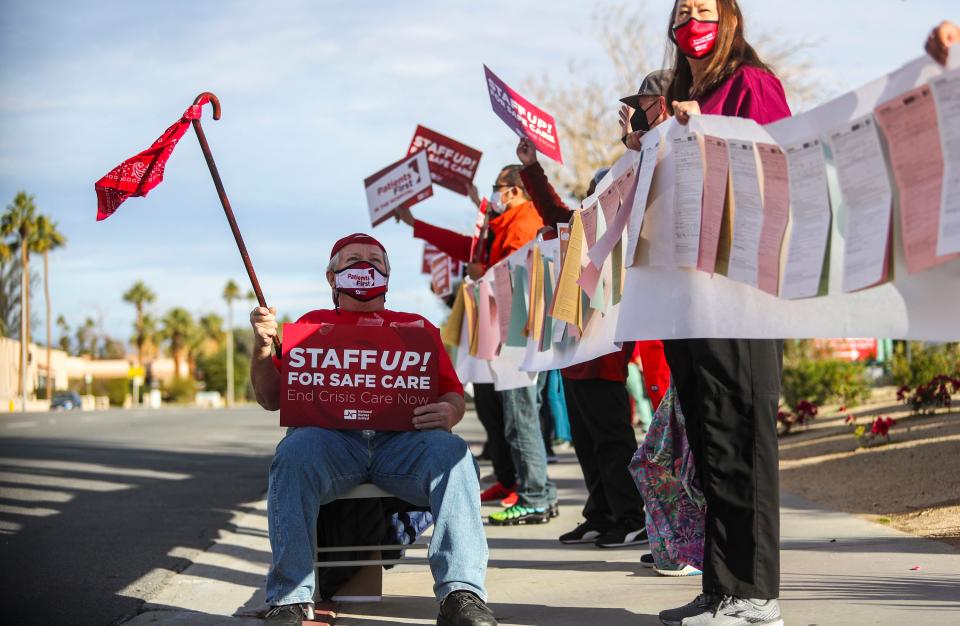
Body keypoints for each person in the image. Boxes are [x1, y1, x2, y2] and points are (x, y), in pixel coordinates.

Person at [250, 233, 497, 626]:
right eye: (351, 259)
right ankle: (290, 600)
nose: (363, 265)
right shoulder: (310, 325)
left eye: (373, 259)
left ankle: (462, 595)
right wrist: (263, 350)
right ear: (332, 277)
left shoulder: (417, 328)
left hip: (402, 444)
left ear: (386, 273)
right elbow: (270, 398)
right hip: (331, 444)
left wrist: (450, 412)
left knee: (454, 455)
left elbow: (452, 394)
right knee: (293, 454)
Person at [653, 1, 790, 625]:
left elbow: (778, 164)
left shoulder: (752, 84)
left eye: (704, 8)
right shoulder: (680, 98)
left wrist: (706, 128)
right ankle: (723, 584)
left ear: (729, 18)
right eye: (682, 11)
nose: (692, 21)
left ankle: (757, 595)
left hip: (741, 290)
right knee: (710, 442)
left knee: (741, 435)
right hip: (691, 294)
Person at [516, 75, 673, 547]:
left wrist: (633, 143)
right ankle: (600, 512)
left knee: (610, 436)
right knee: (586, 437)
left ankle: (627, 515)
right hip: (572, 348)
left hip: (604, 346)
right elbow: (555, 212)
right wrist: (531, 168)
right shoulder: (583, 224)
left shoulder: (624, 223)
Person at [395, 172, 559, 525]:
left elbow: (514, 271)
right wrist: (417, 224)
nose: (493, 196)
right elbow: (467, 249)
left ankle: (535, 495)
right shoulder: (506, 222)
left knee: (522, 419)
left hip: (518, 336)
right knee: (518, 418)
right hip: (514, 335)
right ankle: (536, 492)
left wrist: (482, 269)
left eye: (497, 190)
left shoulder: (523, 220)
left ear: (514, 191)